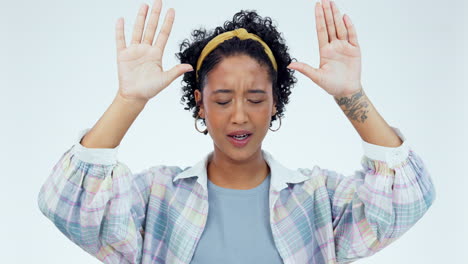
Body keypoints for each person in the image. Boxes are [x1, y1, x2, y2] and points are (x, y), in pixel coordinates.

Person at [37, 0, 436, 263]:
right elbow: (66, 205)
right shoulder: (156, 199)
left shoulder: (319, 200)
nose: (240, 116)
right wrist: (129, 100)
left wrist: (352, 95)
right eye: (223, 100)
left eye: (257, 98)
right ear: (200, 103)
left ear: (276, 102)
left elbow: (407, 202)